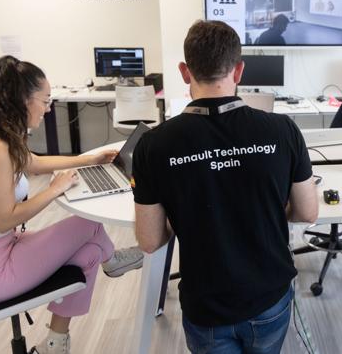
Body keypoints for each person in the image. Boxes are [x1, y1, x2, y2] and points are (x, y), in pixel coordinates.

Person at [132, 20, 318, 354]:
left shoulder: (153, 145)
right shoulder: (283, 130)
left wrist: (190, 217)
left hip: (208, 305)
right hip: (269, 297)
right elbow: (307, 212)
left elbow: (149, 240)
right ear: (239, 70)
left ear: (185, 72)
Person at [0, 56, 144, 354]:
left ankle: (55, 344)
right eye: (45, 100)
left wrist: (89, 159)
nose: (49, 108)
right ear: (22, 100)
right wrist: (54, 190)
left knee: (89, 252)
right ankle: (111, 260)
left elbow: (34, 163)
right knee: (87, 224)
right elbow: (3, 220)